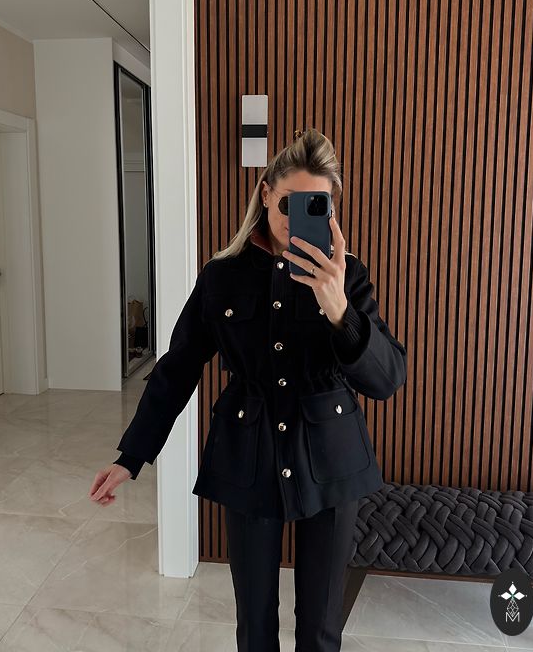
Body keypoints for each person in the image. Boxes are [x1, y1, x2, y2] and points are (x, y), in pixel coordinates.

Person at [89, 128, 407, 651]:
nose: (297, 219)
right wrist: (131, 456)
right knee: (253, 628)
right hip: (247, 453)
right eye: (289, 204)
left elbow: (387, 379)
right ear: (265, 193)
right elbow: (177, 368)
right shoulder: (222, 276)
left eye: (317, 206)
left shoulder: (347, 277)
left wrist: (340, 310)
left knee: (321, 630)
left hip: (332, 457)